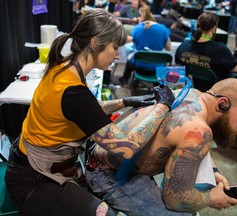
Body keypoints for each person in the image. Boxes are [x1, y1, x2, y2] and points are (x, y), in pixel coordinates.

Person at [4, 9, 175, 216]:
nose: (117, 54)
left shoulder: (65, 67)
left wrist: (126, 101)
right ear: (94, 43)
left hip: (31, 164)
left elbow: (88, 111)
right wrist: (162, 106)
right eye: (114, 47)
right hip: (33, 180)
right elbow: (126, 148)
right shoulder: (72, 92)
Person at [86, 78, 237, 215]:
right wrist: (211, 199)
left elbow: (192, 138)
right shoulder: (198, 129)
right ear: (222, 103)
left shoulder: (192, 94)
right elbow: (175, 199)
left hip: (101, 154)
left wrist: (213, 171)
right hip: (108, 176)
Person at [175, 12, 237, 81]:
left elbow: (177, 65)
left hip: (196, 87)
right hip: (217, 89)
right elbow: (236, 68)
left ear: (197, 25)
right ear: (214, 28)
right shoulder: (220, 49)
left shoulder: (184, 45)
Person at [118, 6, 171, 86]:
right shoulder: (163, 29)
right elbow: (169, 48)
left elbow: (135, 45)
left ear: (139, 17)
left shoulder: (137, 29)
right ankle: (160, 87)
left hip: (140, 67)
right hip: (158, 69)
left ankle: (125, 79)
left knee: (130, 61)